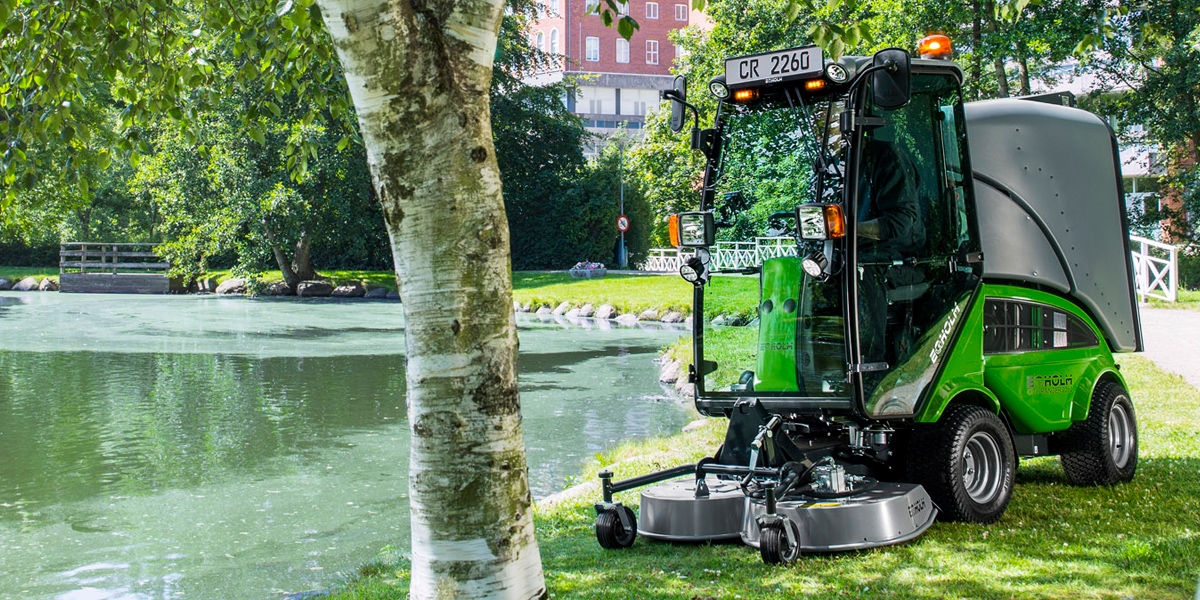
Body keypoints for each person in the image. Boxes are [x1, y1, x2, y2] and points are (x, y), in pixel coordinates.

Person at [856, 126, 924, 366]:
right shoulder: (830, 166)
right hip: (856, 254)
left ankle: (869, 365)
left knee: (861, 269)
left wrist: (847, 228)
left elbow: (899, 223)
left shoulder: (886, 157)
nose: (816, 127)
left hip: (902, 259)